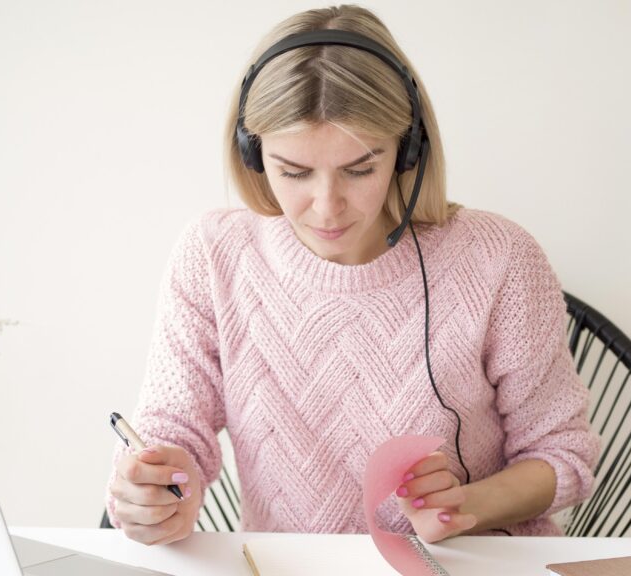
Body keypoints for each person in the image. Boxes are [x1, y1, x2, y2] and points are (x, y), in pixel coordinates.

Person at [106, 4, 600, 546]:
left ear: (409, 150)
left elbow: (561, 452)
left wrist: (466, 505)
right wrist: (153, 489)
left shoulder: (500, 259)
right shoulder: (213, 254)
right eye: (293, 171)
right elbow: (170, 429)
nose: (326, 207)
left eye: (360, 168)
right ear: (252, 154)